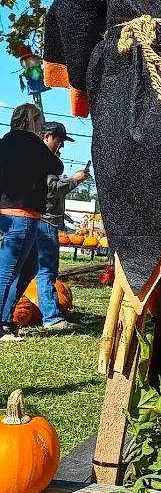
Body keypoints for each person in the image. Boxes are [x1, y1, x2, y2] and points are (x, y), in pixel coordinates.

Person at [4, 122, 91, 333]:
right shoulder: (43, 158)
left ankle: (8, 316)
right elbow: (52, 190)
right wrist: (75, 180)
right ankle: (51, 317)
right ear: (47, 137)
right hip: (45, 221)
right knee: (46, 271)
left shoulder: (36, 157)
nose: (60, 147)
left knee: (26, 270)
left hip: (39, 219)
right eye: (59, 141)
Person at [0, 104, 63, 341]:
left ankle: (7, 319)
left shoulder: (4, 142)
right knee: (8, 272)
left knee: (28, 268)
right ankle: (1, 324)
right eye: (39, 121)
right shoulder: (34, 143)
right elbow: (57, 166)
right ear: (33, 121)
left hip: (6, 212)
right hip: (25, 214)